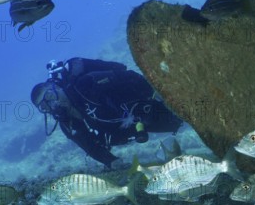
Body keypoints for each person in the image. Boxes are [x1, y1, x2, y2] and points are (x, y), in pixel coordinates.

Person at [31, 58, 183, 167]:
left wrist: (157, 95)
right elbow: (89, 146)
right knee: (177, 122)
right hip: (134, 128)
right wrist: (111, 161)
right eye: (45, 106)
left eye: (50, 96)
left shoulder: (85, 85)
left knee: (182, 114)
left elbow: (127, 76)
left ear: (56, 87)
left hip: (146, 108)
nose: (53, 104)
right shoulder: (67, 123)